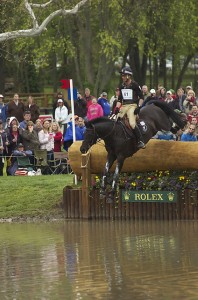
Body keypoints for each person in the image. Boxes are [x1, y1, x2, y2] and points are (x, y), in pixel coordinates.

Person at [114, 66, 145, 149]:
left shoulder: (135, 85)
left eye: (124, 75)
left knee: (131, 123)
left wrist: (139, 107)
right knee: (115, 120)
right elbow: (120, 100)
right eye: (122, 75)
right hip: (124, 106)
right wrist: (117, 108)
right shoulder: (121, 86)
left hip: (132, 105)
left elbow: (141, 97)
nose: (122, 77)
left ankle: (140, 140)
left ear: (128, 76)